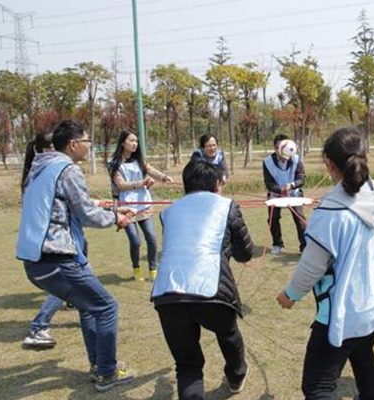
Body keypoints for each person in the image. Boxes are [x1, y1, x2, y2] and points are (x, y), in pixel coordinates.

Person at [277, 127, 374, 400]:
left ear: (329, 165)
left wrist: (290, 295)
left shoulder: (331, 213)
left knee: (318, 387)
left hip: (345, 313)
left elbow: (312, 267)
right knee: (361, 350)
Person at [16, 120, 137, 392]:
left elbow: (60, 206)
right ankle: (107, 372)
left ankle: (98, 366)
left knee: (89, 306)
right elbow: (86, 214)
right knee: (107, 307)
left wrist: (102, 207)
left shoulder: (41, 167)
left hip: (36, 261)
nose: (89, 147)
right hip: (56, 259)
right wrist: (116, 216)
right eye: (87, 142)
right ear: (73, 145)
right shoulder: (68, 169)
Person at [152, 160, 254, 400]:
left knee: (188, 365)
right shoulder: (227, 206)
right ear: (217, 184)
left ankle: (233, 376)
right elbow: (245, 252)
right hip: (212, 290)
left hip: (168, 294)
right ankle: (237, 375)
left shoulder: (169, 212)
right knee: (228, 334)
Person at [108, 130, 174, 281]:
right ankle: (136, 268)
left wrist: (163, 177)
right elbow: (121, 185)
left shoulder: (139, 160)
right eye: (131, 141)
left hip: (143, 203)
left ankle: (153, 270)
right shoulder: (114, 164)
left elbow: (151, 170)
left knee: (151, 238)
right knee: (135, 241)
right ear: (123, 143)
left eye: (136, 141)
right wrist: (142, 183)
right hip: (126, 207)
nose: (135, 144)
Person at [21, 132, 66, 350]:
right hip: (53, 245)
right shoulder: (47, 173)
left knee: (80, 285)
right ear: (49, 149)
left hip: (56, 242)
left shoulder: (37, 172)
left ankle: (78, 303)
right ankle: (38, 327)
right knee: (67, 285)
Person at [263, 134, 306, 255]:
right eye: (277, 147)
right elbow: (268, 183)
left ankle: (304, 246)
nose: (280, 150)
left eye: (283, 147)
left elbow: (302, 179)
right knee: (273, 218)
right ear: (274, 148)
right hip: (276, 194)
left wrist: (291, 185)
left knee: (300, 219)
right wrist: (280, 190)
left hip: (294, 193)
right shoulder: (267, 162)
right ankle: (277, 243)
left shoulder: (296, 159)